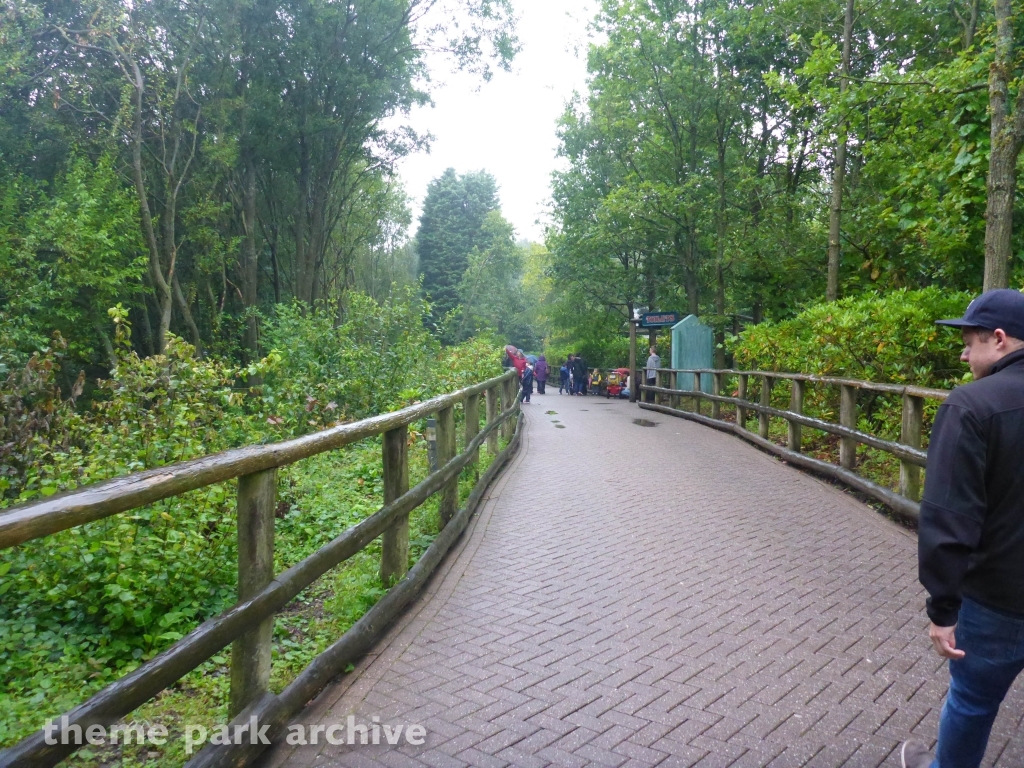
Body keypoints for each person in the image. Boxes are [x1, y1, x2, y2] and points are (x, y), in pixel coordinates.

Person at [900, 289, 1024, 768]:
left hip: (997, 601)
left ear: (998, 339)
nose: (962, 352)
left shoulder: (972, 405)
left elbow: (950, 517)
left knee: (973, 702)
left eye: (969, 341)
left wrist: (943, 607)